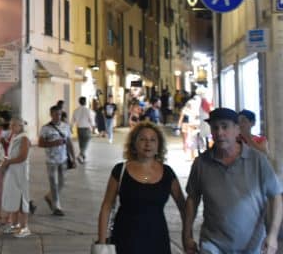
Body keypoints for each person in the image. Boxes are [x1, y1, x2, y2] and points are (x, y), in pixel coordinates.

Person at [182, 108, 282, 254]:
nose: (219, 133)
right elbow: (192, 199)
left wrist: (273, 235)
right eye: (215, 128)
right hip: (212, 245)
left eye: (225, 126)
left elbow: (276, 196)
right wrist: (187, 234)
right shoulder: (201, 163)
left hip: (252, 246)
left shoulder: (257, 160)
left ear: (237, 130)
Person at [96, 122, 186, 253]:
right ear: (134, 144)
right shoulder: (120, 170)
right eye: (143, 139)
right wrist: (102, 242)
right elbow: (106, 207)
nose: (148, 144)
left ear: (158, 146)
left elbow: (183, 207)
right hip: (125, 239)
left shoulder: (167, 173)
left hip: (157, 239)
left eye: (152, 140)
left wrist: (187, 236)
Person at [38, 105, 75, 216]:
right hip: (51, 161)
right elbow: (40, 143)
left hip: (63, 159)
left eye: (59, 114)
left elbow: (69, 142)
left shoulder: (65, 126)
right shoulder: (45, 128)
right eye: (55, 114)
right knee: (53, 183)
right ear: (51, 115)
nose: (58, 116)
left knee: (62, 183)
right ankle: (56, 207)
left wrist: (73, 158)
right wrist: (53, 143)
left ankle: (49, 197)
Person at [0, 117, 32, 238]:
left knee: (22, 198)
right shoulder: (15, 137)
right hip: (13, 171)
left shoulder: (24, 138)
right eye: (11, 125)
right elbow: (12, 154)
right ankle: (14, 224)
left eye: (14, 125)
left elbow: (23, 157)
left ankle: (24, 227)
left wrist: (8, 162)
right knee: (14, 196)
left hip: (21, 172)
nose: (12, 127)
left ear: (20, 126)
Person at [71, 96, 94, 163]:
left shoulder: (75, 110)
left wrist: (71, 128)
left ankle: (82, 157)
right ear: (85, 102)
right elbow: (91, 120)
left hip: (79, 129)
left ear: (79, 102)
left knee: (81, 144)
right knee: (86, 143)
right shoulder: (88, 110)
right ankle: (80, 155)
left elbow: (72, 120)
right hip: (86, 129)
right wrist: (93, 127)